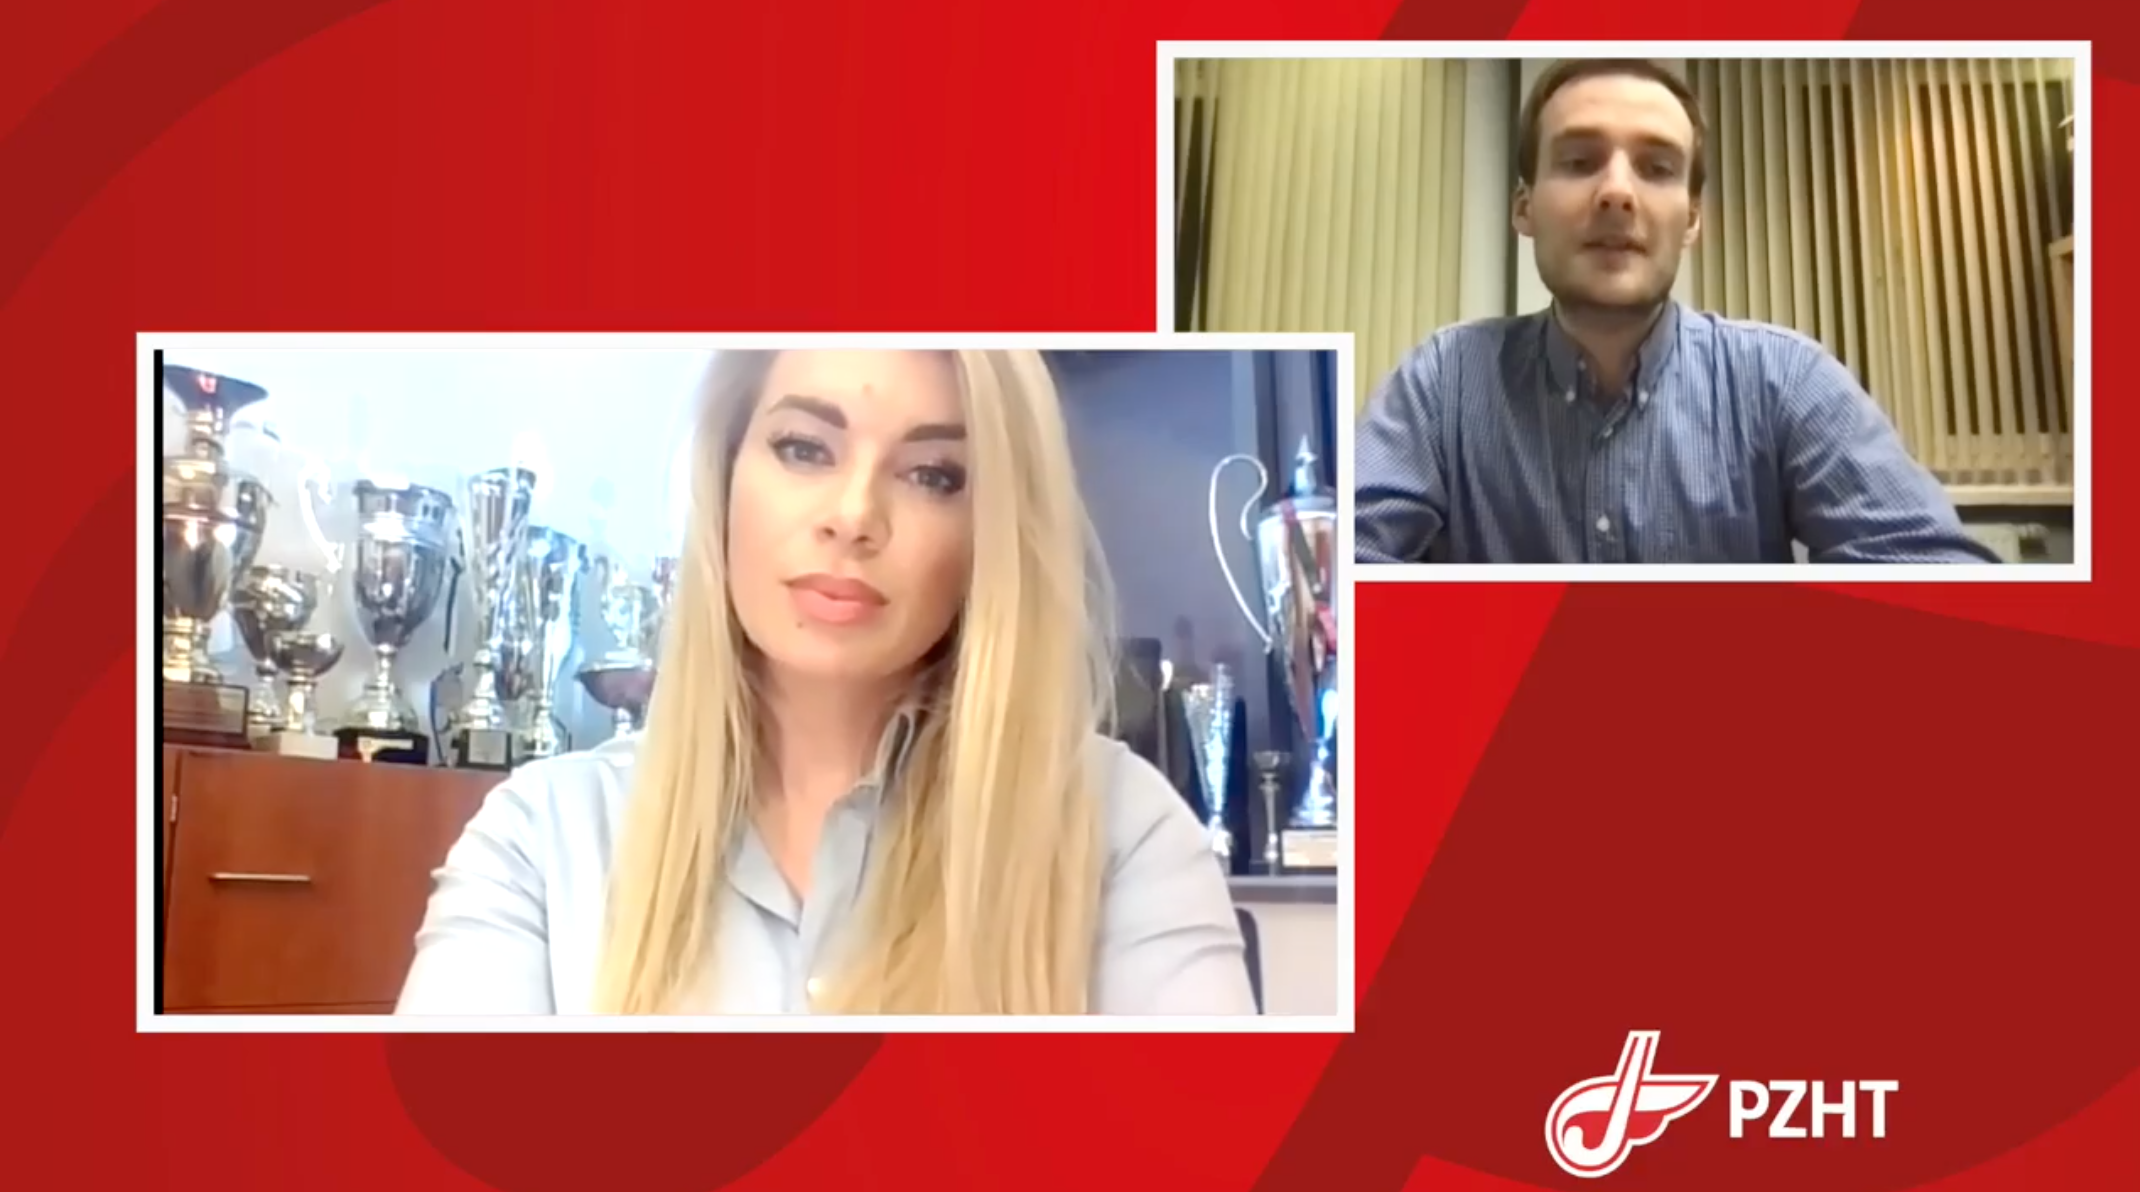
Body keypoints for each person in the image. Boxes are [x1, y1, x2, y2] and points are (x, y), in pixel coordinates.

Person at [396, 349, 1256, 1015]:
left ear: (988, 532)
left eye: (933, 475)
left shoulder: (1123, 836)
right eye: (804, 448)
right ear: (724, 478)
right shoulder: (541, 841)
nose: (853, 515)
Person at [1354, 59, 1999, 565]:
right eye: (1579, 162)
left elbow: (1944, 587)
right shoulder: (1443, 384)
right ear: (1525, 208)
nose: (1616, 192)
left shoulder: (1785, 380)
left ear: (1690, 220)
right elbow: (1338, 586)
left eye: (1657, 168)